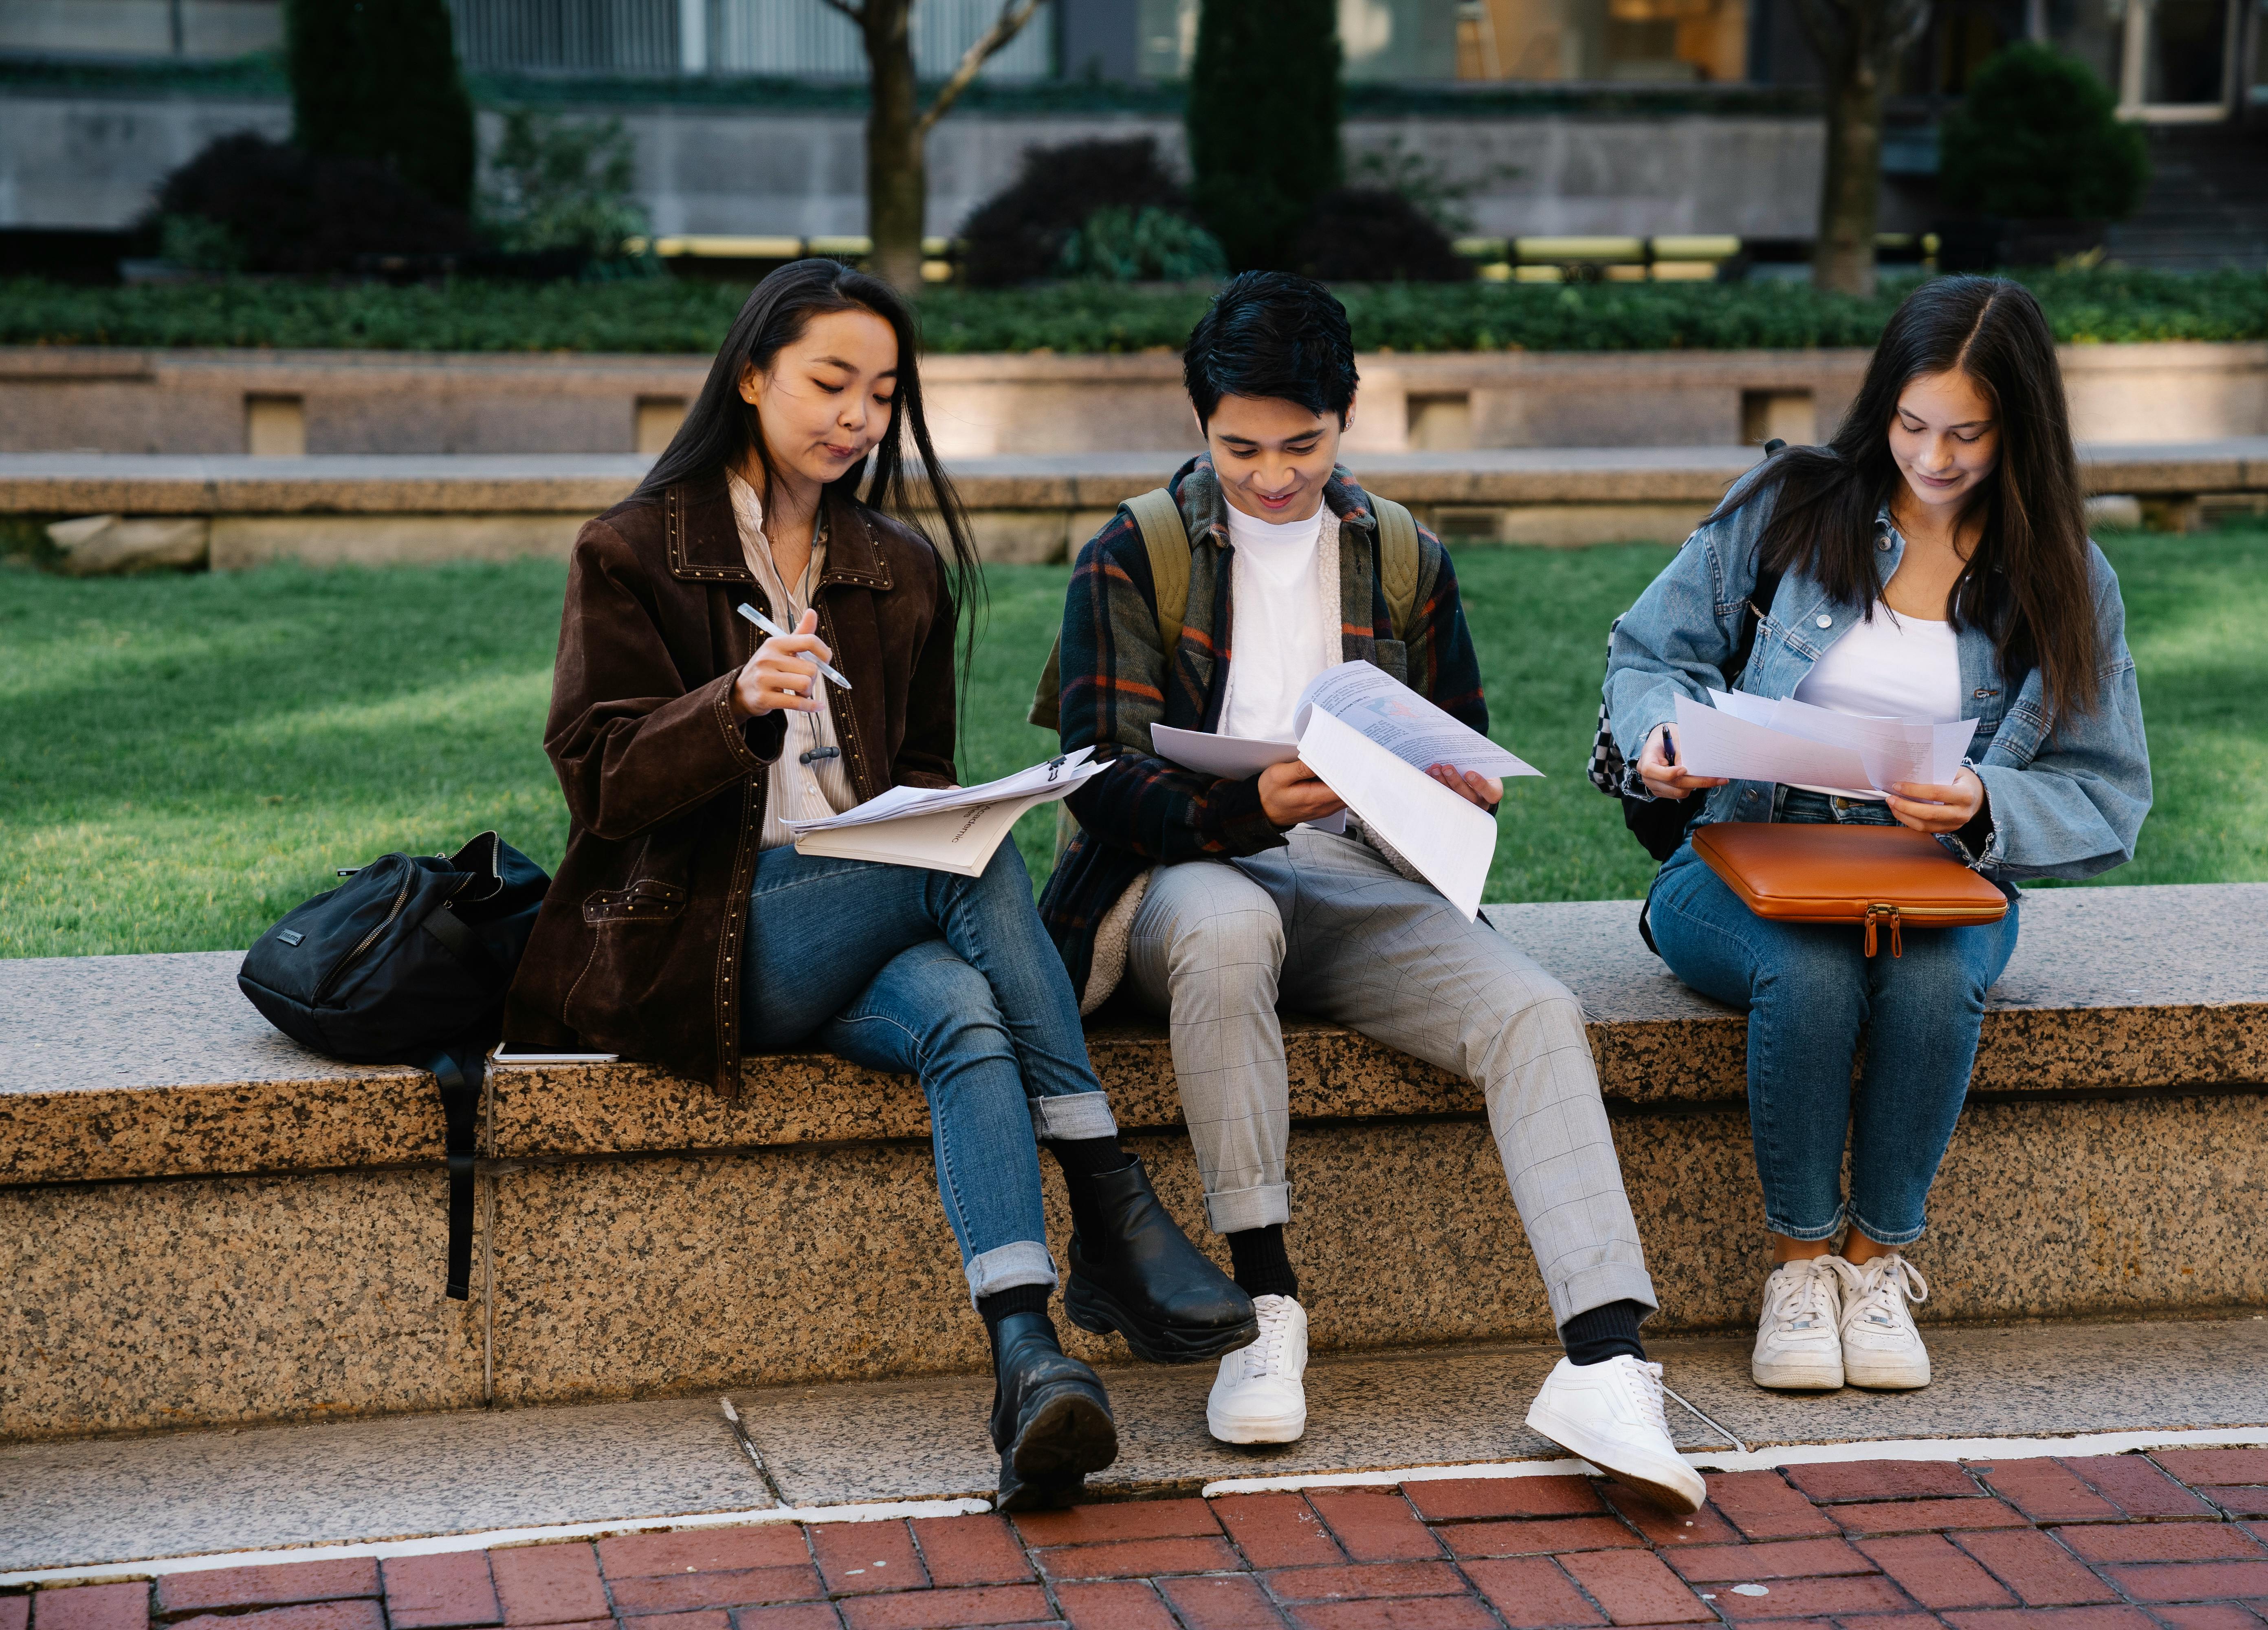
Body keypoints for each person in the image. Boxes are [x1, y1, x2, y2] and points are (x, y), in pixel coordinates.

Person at [504, 259, 1254, 1509]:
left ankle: (1028, 1358)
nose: (857, 416)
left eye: (882, 393)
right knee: (974, 873)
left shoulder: (897, 568)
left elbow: (921, 780)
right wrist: (730, 704)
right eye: (830, 383)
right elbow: (599, 785)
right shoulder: (636, 550)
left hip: (861, 920)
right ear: (750, 377)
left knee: (964, 1009)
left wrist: (943, 812)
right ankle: (1109, 1198)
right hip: (707, 936)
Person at [1039, 271, 1707, 1516]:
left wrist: (1458, 793)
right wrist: (1247, 810)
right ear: (1202, 425)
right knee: (1234, 920)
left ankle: (1607, 1362)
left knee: (1532, 1011)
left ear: (1345, 423)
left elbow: (1459, 743)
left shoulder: (1403, 555)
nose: (1273, 475)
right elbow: (1096, 784)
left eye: (1302, 445)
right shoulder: (1134, 551)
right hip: (1184, 877)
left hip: (1355, 875)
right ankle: (1263, 1309)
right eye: (1241, 447)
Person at [1604, 275, 2151, 1394]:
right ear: (1881, 408)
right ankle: (1799, 1266)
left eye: (1967, 433)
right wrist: (1668, 736)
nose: (1933, 457)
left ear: (2022, 430)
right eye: (1911, 425)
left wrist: (1989, 805)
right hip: (1742, 861)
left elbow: (2108, 789)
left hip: (1935, 878)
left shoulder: (2065, 577)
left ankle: (1876, 1263)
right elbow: (1647, 653)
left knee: (1931, 969)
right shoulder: (1790, 506)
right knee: (1807, 969)